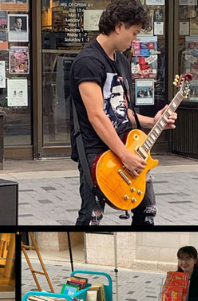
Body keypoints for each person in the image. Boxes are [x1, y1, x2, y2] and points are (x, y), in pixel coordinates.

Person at [70, 0, 176, 226]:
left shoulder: (121, 62)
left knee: (147, 211)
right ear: (119, 26)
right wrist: (125, 156)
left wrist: (153, 121)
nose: (135, 40)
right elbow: (96, 115)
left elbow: (122, 111)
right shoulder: (88, 62)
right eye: (134, 33)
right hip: (97, 150)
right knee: (92, 217)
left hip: (126, 146)